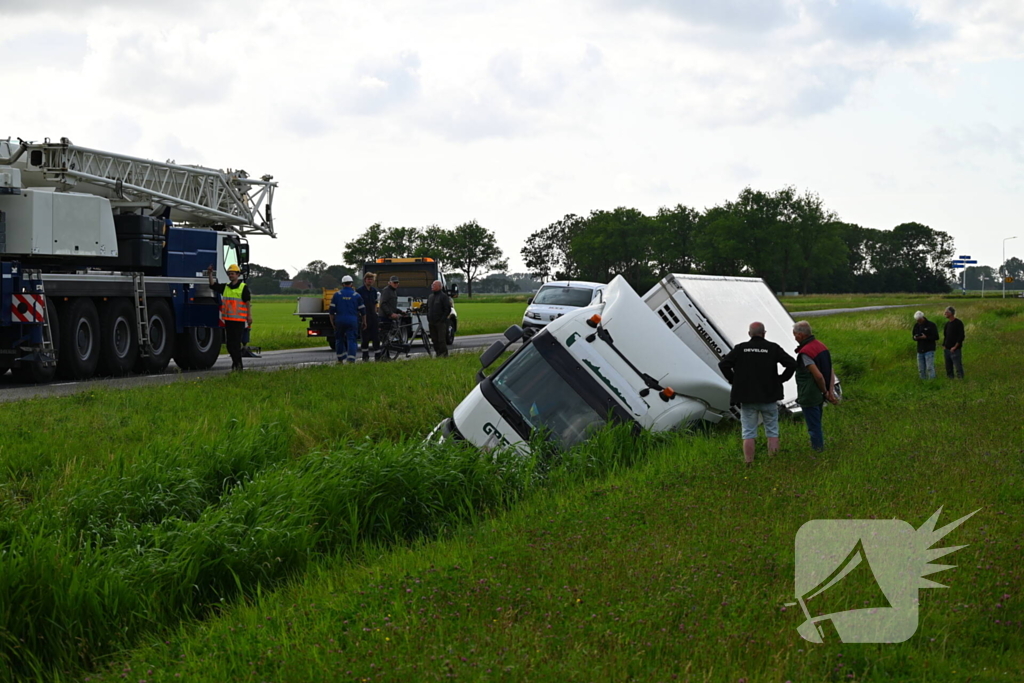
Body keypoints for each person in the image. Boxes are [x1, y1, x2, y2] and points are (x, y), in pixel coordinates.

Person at [718, 322, 797, 465]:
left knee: (748, 431)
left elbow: (723, 364)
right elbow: (791, 364)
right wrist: (780, 379)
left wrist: (734, 380)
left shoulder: (740, 348)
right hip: (769, 396)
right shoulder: (773, 348)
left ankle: (749, 462)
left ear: (749, 334)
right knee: (772, 430)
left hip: (747, 397)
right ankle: (773, 462)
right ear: (764, 333)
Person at [792, 320, 838, 452]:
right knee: (817, 422)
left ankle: (818, 451)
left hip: (810, 394)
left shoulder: (805, 352)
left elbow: (818, 376)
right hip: (819, 394)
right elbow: (830, 370)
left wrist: (825, 391)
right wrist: (830, 391)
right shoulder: (821, 346)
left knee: (813, 427)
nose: (795, 338)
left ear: (800, 335)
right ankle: (819, 447)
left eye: (795, 335)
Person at [207, 263, 251, 372]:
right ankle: (236, 364)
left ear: (238, 275)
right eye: (229, 274)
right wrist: (210, 274)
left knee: (235, 345)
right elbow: (213, 285)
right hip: (228, 320)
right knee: (230, 345)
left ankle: (238, 366)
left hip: (238, 321)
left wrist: (249, 316)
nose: (231, 275)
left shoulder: (243, 288)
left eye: (233, 273)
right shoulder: (226, 287)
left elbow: (247, 302)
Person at [329, 275, 365, 363]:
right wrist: (364, 322)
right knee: (352, 340)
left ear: (342, 284)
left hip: (339, 320)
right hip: (352, 321)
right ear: (351, 284)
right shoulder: (356, 295)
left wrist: (332, 322)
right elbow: (363, 311)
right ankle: (351, 360)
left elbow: (331, 311)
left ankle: (340, 359)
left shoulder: (337, 295)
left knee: (339, 339)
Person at [356, 272, 380, 361]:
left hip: (373, 316)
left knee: (376, 337)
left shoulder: (374, 291)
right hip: (364, 317)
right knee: (365, 338)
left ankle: (377, 356)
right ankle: (365, 356)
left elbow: (375, 303)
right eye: (368, 279)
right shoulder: (359, 291)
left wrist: (376, 313)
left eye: (371, 279)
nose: (370, 281)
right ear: (365, 280)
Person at [426, 280, 453, 358]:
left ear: (439, 287)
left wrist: (442, 319)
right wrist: (428, 317)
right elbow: (428, 308)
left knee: (441, 340)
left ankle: (444, 355)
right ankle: (438, 354)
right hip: (432, 322)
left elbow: (447, 309)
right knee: (434, 339)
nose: (432, 286)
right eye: (432, 285)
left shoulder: (444, 296)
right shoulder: (430, 297)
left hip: (440, 322)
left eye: (434, 285)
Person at [912, 310, 939, 380]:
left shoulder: (931, 325)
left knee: (929, 367)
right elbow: (913, 335)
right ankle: (923, 380)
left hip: (929, 349)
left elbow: (936, 337)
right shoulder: (916, 326)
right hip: (920, 349)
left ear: (922, 318)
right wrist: (915, 338)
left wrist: (926, 337)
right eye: (917, 320)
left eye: (919, 320)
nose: (918, 322)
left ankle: (932, 380)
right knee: (921, 369)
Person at [942, 306, 965, 379]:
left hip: (955, 349)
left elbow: (961, 336)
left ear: (951, 313)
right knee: (948, 367)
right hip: (947, 349)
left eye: (946, 312)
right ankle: (950, 379)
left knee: (957, 365)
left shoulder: (958, 323)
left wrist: (955, 346)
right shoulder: (947, 324)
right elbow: (945, 335)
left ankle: (960, 379)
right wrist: (944, 345)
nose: (945, 313)